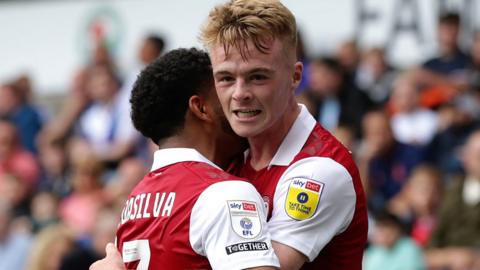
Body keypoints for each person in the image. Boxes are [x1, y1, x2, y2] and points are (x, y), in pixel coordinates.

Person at [201, 0, 368, 269]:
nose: (240, 93)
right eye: (226, 78)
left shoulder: (320, 171)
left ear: (295, 76)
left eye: (257, 77)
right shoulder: (227, 153)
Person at [91, 48, 279, 270]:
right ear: (201, 108)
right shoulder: (225, 193)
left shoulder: (134, 202)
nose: (237, 98)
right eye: (224, 86)